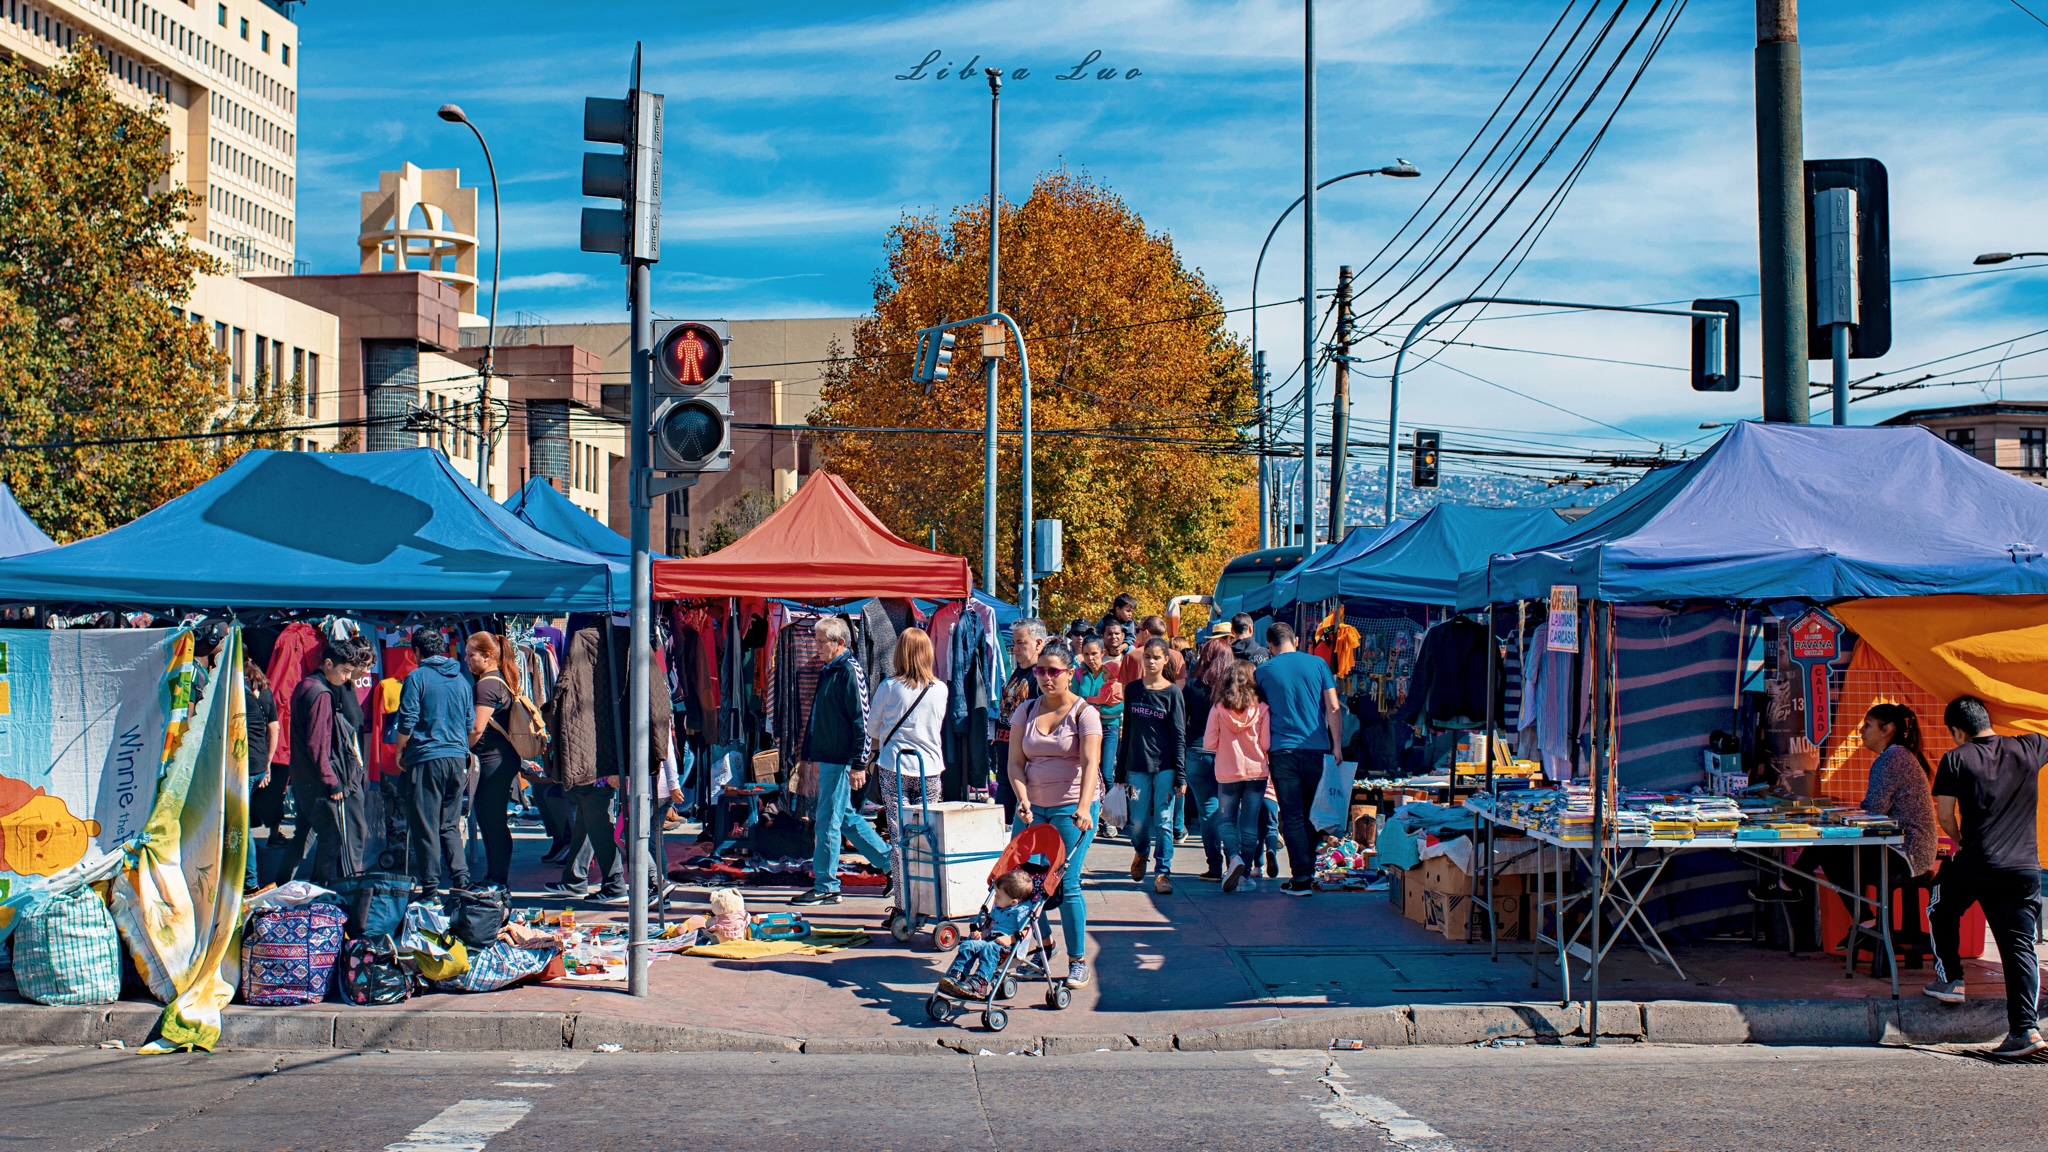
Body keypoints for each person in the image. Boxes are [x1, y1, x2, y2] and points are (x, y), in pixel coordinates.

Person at [1925, 695, 2048, 1058]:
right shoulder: (2030, 747)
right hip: (2024, 867)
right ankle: (2025, 1031)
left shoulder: (1956, 758)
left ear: (1957, 730)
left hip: (1976, 863)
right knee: (2019, 947)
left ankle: (1950, 979)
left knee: (1940, 905)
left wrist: (1962, 843)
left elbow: (1945, 816)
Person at [1007, 640, 1102, 987]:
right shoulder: (1027, 710)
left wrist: (1083, 807)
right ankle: (1043, 944)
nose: (1046, 678)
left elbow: (1091, 764)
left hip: (1071, 808)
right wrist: (1022, 798)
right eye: (1040, 671)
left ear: (1069, 674)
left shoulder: (1084, 713)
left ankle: (1078, 961)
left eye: (1053, 672)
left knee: (1065, 882)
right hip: (1032, 807)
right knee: (1025, 881)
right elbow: (1015, 763)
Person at [1802, 703, 1939, 935]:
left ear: (1886, 730)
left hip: (1907, 854)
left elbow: (1873, 812)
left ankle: (1791, 884)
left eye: (1867, 725)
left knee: (1827, 848)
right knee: (1830, 852)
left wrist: (1839, 816)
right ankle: (1865, 922)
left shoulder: (1892, 759)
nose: (1861, 731)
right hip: (1910, 850)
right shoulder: (1899, 756)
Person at [794, 616, 893, 906]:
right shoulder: (830, 669)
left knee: (828, 821)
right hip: (829, 757)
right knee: (845, 818)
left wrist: (859, 763)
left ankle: (826, 884)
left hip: (840, 759)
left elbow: (861, 720)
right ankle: (891, 866)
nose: (817, 647)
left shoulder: (849, 670)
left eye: (822, 642)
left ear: (840, 642)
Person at [1254, 622, 1341, 896]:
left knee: (1291, 815)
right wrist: (1337, 746)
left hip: (1282, 752)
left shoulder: (1262, 672)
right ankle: (1311, 870)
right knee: (1311, 813)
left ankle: (1301, 877)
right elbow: (1333, 706)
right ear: (1297, 639)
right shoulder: (1318, 664)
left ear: (1269, 645)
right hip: (1317, 748)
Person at [276, 637, 369, 886]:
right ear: (328, 664)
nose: (348, 678)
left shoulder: (305, 685)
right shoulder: (321, 694)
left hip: (302, 775)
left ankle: (281, 884)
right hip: (316, 780)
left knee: (304, 834)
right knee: (333, 837)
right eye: (345, 672)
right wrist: (332, 782)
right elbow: (318, 745)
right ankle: (320, 889)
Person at [870, 626, 949, 902]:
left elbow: (872, 729)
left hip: (895, 766)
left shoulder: (889, 687)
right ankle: (931, 898)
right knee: (928, 835)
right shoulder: (940, 689)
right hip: (930, 767)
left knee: (899, 835)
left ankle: (903, 901)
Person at [394, 628, 475, 897]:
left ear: (416, 652)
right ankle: (461, 881)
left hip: (427, 758)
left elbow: (407, 720)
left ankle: (430, 888)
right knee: (449, 823)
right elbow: (469, 724)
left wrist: (399, 750)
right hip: (456, 759)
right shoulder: (462, 680)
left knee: (425, 823)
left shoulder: (416, 678)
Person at [1118, 638, 1186, 894]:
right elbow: (1128, 730)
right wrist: (1120, 770)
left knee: (1164, 820)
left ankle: (1163, 872)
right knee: (1136, 822)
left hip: (1165, 767)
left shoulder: (1173, 693)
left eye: (1157, 657)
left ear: (1166, 660)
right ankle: (1141, 851)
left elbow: (1179, 735)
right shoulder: (1134, 689)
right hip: (1136, 766)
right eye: (1147, 657)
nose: (1151, 661)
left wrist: (1181, 775)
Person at [465, 632, 525, 889]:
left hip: (492, 761)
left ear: (487, 656)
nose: (466, 660)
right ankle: (495, 877)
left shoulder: (487, 684)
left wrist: (460, 750)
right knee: (492, 820)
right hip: (501, 759)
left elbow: (477, 728)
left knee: (492, 821)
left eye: (471, 654)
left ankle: (498, 879)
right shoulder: (499, 679)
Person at [1206, 659, 1272, 893]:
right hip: (1256, 773)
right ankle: (1244, 876)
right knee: (1249, 825)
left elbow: (1208, 742)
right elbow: (1265, 743)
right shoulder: (1262, 709)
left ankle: (1233, 858)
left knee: (1226, 820)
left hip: (1227, 772)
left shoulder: (1218, 708)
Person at [937, 868, 1035, 1000]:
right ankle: (957, 974)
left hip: (1007, 948)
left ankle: (980, 983)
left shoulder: (1022, 911)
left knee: (990, 948)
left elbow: (1026, 930)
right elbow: (989, 927)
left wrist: (1010, 939)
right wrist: (981, 934)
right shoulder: (998, 908)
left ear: (1014, 902)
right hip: (989, 940)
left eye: (998, 896)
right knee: (969, 944)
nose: (995, 898)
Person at [1183, 637, 1232, 881]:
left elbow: (1182, 721)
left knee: (1207, 810)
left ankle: (1214, 866)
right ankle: (1235, 859)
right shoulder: (1233, 688)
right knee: (1230, 810)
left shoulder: (1192, 686)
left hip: (1196, 750)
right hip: (1227, 753)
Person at [989, 618, 1047, 822]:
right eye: (1014, 643)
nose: (1015, 649)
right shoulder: (1019, 670)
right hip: (1006, 763)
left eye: (1022, 643)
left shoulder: (1042, 676)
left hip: (1027, 772)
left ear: (1038, 643)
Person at [243, 658, 282, 893]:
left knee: (240, 825)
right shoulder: (266, 692)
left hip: (243, 765)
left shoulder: (236, 692)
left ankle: (249, 881)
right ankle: (248, 879)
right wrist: (268, 763)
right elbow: (274, 728)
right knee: (242, 822)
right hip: (258, 765)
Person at [1075, 636, 1125, 807]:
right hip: (1084, 728)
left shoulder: (1114, 673)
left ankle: (1111, 812)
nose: (1090, 658)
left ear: (1103, 653)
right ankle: (1089, 809)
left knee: (1106, 771)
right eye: (1086, 654)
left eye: (1094, 653)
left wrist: (1096, 711)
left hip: (1109, 727)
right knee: (1087, 769)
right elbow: (1074, 701)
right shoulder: (1079, 674)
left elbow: (1120, 705)